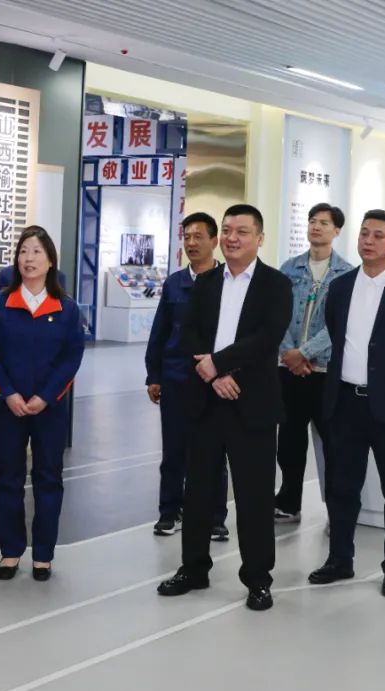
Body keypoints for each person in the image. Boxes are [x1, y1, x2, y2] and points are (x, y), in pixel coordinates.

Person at [156, 204, 292, 611]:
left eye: (242, 232)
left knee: (254, 497)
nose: (232, 238)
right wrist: (213, 374)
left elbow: (267, 338)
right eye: (228, 230)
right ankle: (193, 568)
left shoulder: (276, 284)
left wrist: (220, 363)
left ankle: (258, 579)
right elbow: (190, 333)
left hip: (253, 404)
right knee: (197, 491)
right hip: (206, 400)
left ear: (259, 238)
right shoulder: (207, 281)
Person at [307, 209, 385, 597]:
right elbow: (335, 331)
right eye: (364, 234)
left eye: (378, 235)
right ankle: (339, 560)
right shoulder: (341, 287)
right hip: (346, 403)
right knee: (342, 487)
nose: (368, 241)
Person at [0, 226, 85, 581]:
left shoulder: (66, 308)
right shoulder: (0, 304)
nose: (29, 258)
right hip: (8, 407)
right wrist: (8, 392)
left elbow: (71, 358)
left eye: (37, 251)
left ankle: (43, 555)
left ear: (51, 260)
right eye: (24, 251)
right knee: (8, 477)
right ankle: (10, 551)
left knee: (48, 478)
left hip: (49, 410)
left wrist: (45, 396)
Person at [145, 212, 230, 541]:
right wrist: (154, 375)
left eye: (198, 236)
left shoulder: (228, 282)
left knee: (214, 451)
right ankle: (170, 511)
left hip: (214, 382)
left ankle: (215, 517)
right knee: (174, 451)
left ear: (214, 241)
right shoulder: (174, 283)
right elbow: (160, 331)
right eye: (187, 237)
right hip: (176, 379)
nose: (192, 243)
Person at [274, 203, 354, 523]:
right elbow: (277, 315)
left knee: (332, 444)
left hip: (324, 371)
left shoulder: (346, 273)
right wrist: (289, 353)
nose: (315, 227)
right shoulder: (289, 268)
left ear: (337, 230)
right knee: (289, 442)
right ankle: (288, 502)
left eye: (323, 222)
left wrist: (305, 353)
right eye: (312, 221)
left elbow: (340, 324)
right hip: (289, 370)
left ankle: (337, 509)